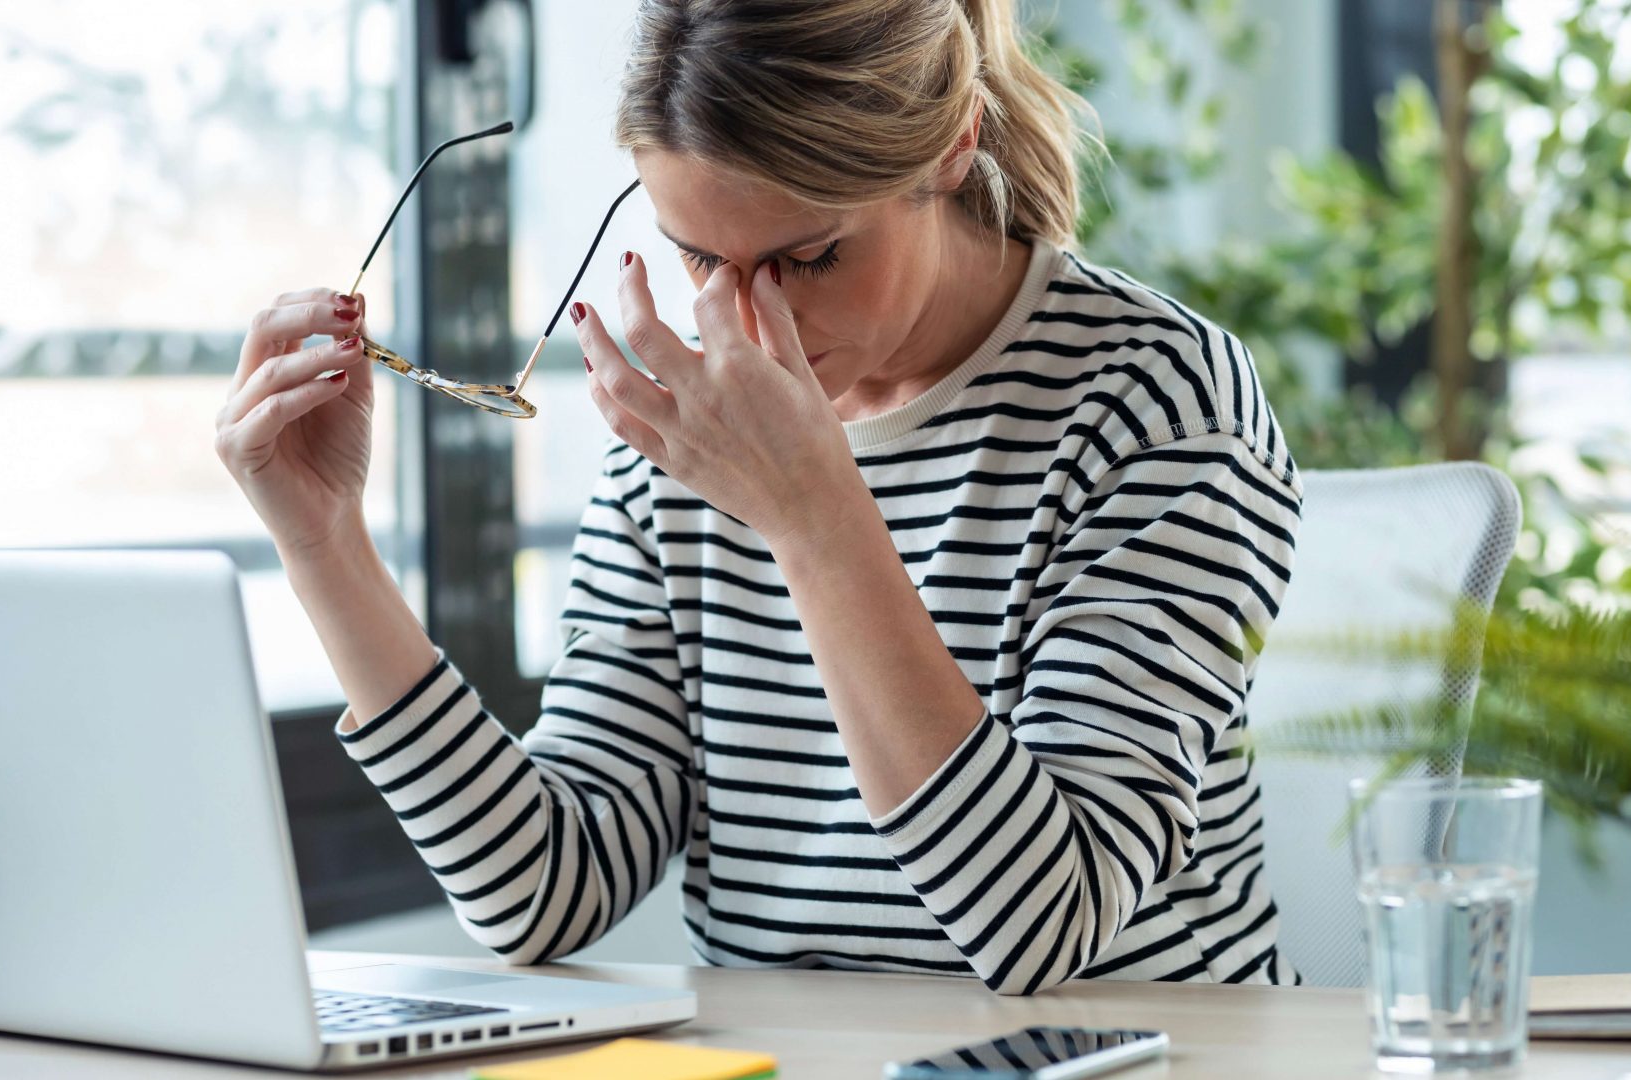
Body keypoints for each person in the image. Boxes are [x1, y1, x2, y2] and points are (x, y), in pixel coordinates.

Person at [215, 0, 1302, 995]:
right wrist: (326, 546)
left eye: (811, 258)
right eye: (697, 259)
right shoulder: (689, 439)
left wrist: (813, 517)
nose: (742, 321)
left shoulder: (1156, 401)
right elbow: (541, 890)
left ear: (953, 144)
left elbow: (1043, 924)